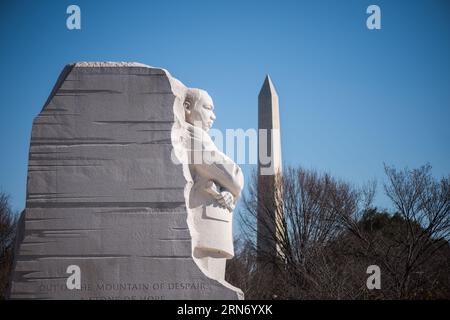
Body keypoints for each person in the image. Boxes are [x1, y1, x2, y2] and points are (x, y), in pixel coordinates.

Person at [179, 88, 244, 281]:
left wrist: (228, 192)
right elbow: (233, 177)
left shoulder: (199, 138)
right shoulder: (192, 137)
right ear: (187, 107)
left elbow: (224, 182)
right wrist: (233, 187)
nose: (213, 116)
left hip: (213, 224)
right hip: (205, 227)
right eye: (208, 108)